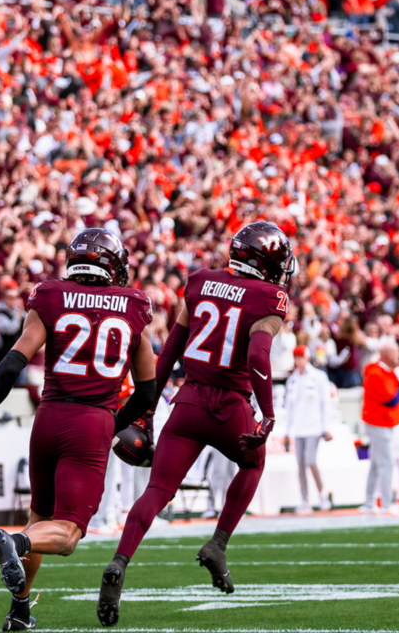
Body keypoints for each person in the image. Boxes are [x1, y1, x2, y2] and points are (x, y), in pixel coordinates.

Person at [100, 221, 294, 626]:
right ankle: (218, 544)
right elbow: (258, 357)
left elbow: (170, 346)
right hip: (230, 407)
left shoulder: (201, 281)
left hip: (188, 401)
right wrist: (268, 412)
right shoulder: (270, 297)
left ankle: (120, 560)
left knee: (157, 490)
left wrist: (149, 405)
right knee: (253, 465)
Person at [0, 229, 155, 632]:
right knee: (65, 535)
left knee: (40, 515)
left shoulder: (51, 295)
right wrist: (113, 426)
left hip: (47, 418)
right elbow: (148, 390)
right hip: (92, 420)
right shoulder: (133, 305)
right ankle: (14, 543)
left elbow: (13, 362)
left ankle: (18, 610)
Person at [360, 339, 399, 517]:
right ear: (389, 355)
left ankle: (369, 502)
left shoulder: (386, 372)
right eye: (397, 353)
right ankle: (387, 504)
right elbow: (393, 400)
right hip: (378, 422)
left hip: (385, 422)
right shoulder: (376, 373)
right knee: (387, 463)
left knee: (375, 464)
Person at [284, 345, 334, 514]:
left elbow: (325, 403)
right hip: (298, 429)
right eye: (296, 358)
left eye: (301, 357)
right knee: (300, 466)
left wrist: (325, 427)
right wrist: (286, 431)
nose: (299, 361)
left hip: (313, 427)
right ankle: (305, 500)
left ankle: (322, 494)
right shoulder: (292, 379)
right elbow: (289, 408)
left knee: (310, 461)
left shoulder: (318, 377)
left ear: (307, 358)